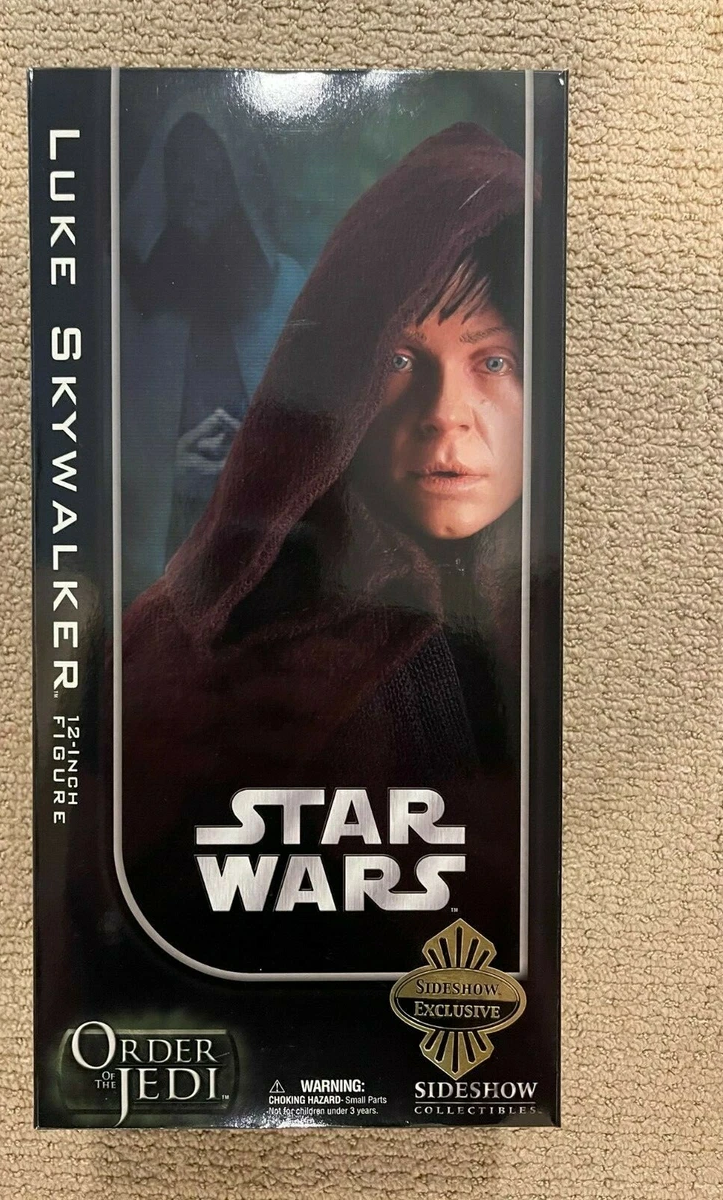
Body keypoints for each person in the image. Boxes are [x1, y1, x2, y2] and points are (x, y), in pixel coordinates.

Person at [117, 121, 531, 975]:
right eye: (400, 360)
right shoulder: (201, 654)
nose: (444, 415)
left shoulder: (569, 627)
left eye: (493, 362)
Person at [120, 102, 306, 602]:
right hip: (165, 536)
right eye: (181, 167)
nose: (194, 185)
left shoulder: (288, 287)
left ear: (236, 176)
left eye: (210, 167)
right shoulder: (132, 301)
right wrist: (166, 467)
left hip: (262, 529)